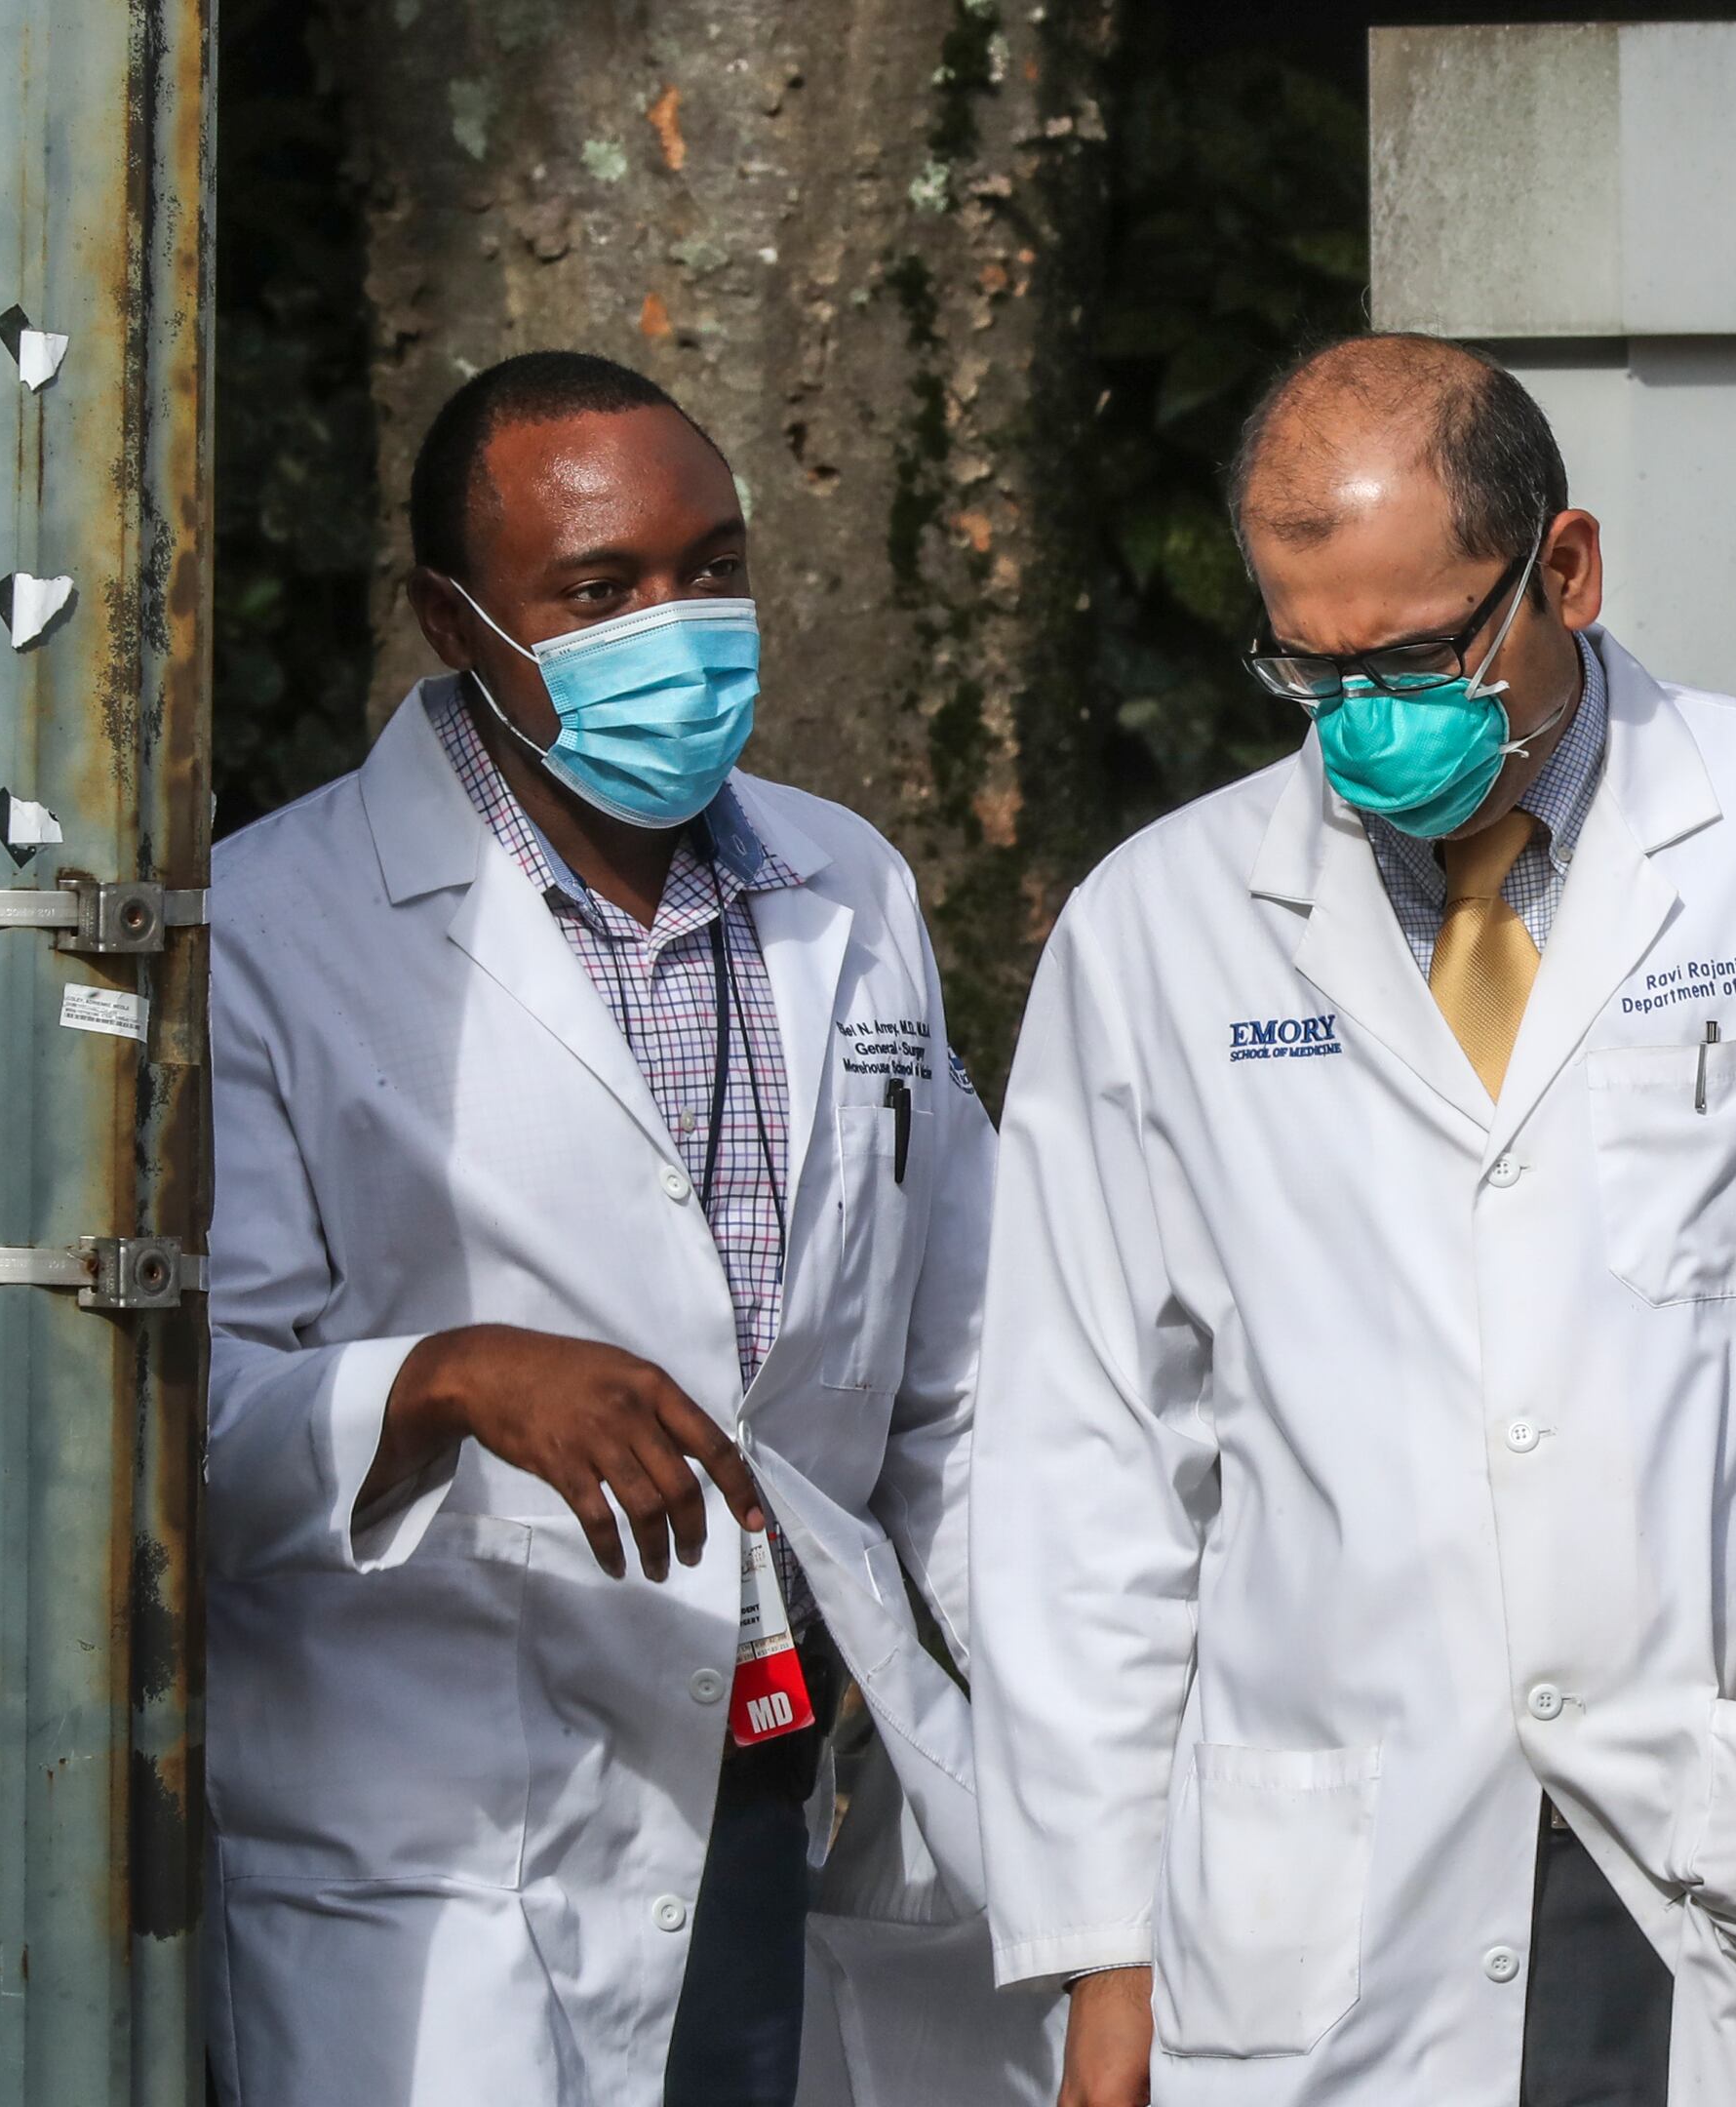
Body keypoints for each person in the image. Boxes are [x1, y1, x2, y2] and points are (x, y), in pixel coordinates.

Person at [969, 332, 1736, 2107]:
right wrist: (1102, 1953)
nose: (1368, 718)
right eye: (1314, 670)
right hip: (1334, 1892)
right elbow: (1081, 1467)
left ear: (1566, 570)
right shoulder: (1159, 930)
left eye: (1422, 653)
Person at [205, 352, 1046, 2105]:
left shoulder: (848, 890)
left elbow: (959, 1379)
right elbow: (177, 1428)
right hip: (435, 1839)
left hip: (767, 1780)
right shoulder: (275, 925)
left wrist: (1079, 1730)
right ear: (454, 620)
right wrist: (440, 1380)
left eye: (711, 569)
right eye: (597, 592)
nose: (676, 626)